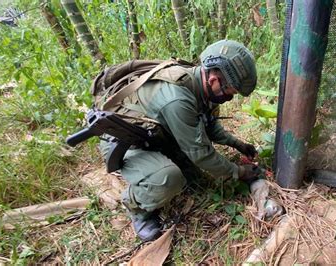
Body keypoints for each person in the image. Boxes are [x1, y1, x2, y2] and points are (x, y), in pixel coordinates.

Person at [99, 40, 262, 241]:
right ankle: (136, 207)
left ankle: (168, 160)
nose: (231, 97)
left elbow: (208, 124)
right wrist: (238, 172)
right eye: (231, 92)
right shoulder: (178, 99)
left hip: (158, 134)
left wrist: (238, 144)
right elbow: (201, 154)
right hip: (125, 142)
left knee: (194, 180)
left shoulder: (199, 83)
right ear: (214, 80)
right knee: (169, 179)